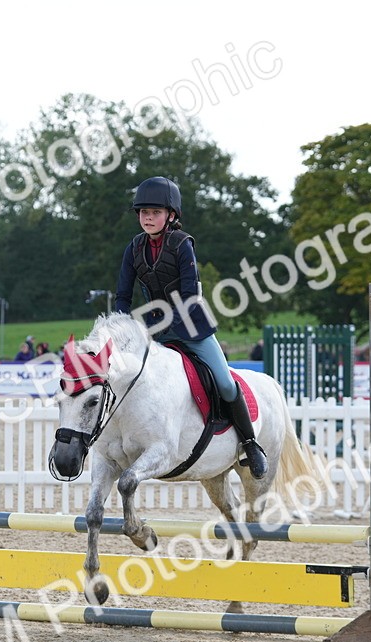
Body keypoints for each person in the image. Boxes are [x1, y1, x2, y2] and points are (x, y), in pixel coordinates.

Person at [114, 176, 266, 477]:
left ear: (171, 215)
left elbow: (188, 295)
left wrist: (160, 325)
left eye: (155, 212)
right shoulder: (134, 248)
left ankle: (249, 443)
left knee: (224, 382)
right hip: (155, 332)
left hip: (191, 328)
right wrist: (121, 331)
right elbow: (122, 295)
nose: (147, 217)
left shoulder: (183, 245)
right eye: (143, 212)